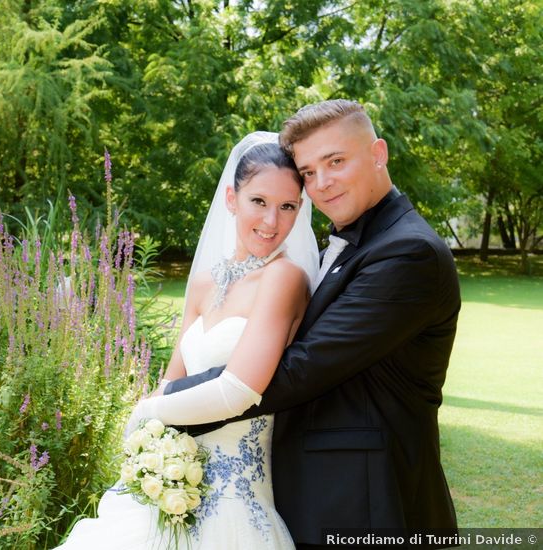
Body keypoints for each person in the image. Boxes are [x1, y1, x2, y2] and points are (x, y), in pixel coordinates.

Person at [146, 100, 460, 547]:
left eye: (336, 161)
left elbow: (301, 368)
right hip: (310, 489)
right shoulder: (355, 244)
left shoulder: (408, 253)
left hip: (371, 498)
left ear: (378, 154)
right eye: (309, 172)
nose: (322, 183)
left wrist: (162, 405)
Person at [55, 131, 320, 549]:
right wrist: (154, 454)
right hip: (171, 482)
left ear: (300, 209)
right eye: (259, 202)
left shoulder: (284, 278)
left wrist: (147, 411)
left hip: (236, 496)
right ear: (232, 199)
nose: (272, 221)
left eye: (287, 206)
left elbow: (239, 390)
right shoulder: (202, 283)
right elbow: (173, 377)